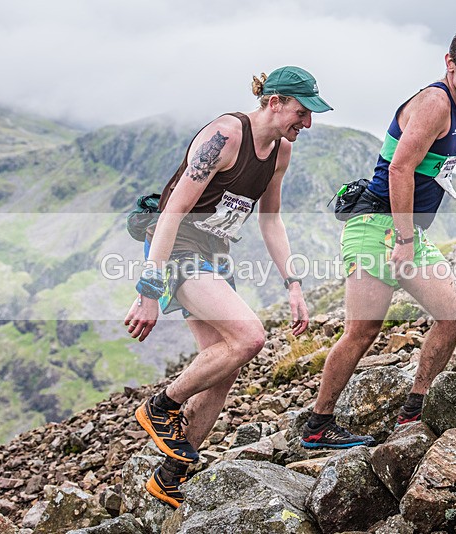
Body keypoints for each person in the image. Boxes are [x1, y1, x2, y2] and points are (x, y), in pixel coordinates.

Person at [124, 66, 332, 507]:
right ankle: (161, 407)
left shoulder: (280, 152)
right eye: (302, 111)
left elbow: (270, 218)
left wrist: (293, 284)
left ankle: (171, 476)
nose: (307, 122)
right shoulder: (224, 136)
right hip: (176, 244)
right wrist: (148, 289)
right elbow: (173, 210)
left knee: (223, 363)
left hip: (215, 254)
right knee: (250, 336)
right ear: (274, 102)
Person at [301, 27, 456, 448]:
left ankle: (415, 408)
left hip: (407, 230)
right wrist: (404, 242)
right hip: (377, 227)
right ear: (450, 62)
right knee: (363, 330)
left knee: (454, 314)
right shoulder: (435, 102)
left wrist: (410, 236)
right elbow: (399, 169)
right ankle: (318, 424)